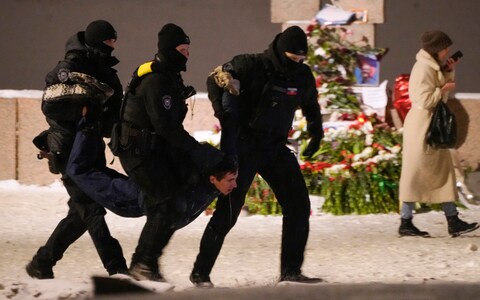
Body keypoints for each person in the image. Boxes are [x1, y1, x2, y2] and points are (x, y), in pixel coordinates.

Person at [190, 25, 324, 288]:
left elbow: (311, 104)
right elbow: (215, 77)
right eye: (292, 58)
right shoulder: (252, 64)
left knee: (298, 205)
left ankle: (291, 273)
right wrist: (223, 113)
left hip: (274, 147)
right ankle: (200, 273)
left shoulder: (302, 76)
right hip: (245, 146)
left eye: (301, 59)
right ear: (280, 51)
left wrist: (316, 133)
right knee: (228, 211)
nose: (295, 63)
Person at [116, 23, 230, 282]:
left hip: (156, 149)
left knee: (174, 201)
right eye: (182, 49)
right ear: (169, 50)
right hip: (139, 153)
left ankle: (145, 264)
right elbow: (165, 126)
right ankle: (142, 266)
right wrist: (196, 151)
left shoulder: (169, 77)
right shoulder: (156, 81)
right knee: (166, 203)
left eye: (188, 48)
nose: (187, 54)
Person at [26, 20, 128, 279]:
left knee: (81, 213)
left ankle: (42, 261)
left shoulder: (108, 73)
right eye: (108, 42)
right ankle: (117, 269)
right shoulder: (67, 69)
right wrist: (85, 107)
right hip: (68, 151)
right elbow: (51, 106)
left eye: (114, 42)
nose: (112, 47)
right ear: (96, 42)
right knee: (91, 208)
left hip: (91, 150)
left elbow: (113, 115)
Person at [66, 117, 238, 228]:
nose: (234, 185)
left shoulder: (212, 182)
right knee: (79, 171)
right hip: (136, 197)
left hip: (138, 202)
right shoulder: (197, 176)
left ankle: (87, 128)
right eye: (230, 180)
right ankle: (85, 126)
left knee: (93, 176)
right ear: (213, 178)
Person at [398, 30, 479, 238]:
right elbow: (424, 100)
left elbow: (439, 92)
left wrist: (448, 73)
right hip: (422, 126)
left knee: (443, 171)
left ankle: (452, 219)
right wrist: (443, 89)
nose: (447, 52)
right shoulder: (423, 68)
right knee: (414, 173)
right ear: (436, 49)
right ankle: (406, 221)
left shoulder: (431, 67)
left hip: (431, 124)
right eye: (445, 48)